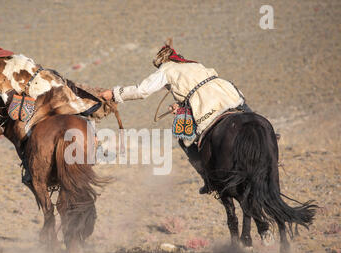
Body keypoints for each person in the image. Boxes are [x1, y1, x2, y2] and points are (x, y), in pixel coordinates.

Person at [100, 39, 251, 194]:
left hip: (206, 105)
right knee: (246, 114)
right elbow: (200, 86)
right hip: (227, 93)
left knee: (184, 139)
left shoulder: (165, 70)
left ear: (162, 62)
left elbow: (142, 91)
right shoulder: (194, 64)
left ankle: (207, 178)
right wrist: (180, 104)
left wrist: (114, 93)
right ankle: (270, 134)